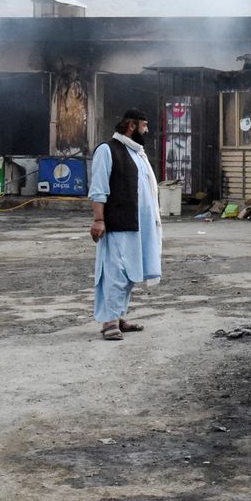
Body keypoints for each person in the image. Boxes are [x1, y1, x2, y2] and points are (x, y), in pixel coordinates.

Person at [88, 108, 162, 341]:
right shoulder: (107, 150)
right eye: (144, 125)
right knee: (114, 272)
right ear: (131, 125)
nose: (147, 130)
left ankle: (119, 316)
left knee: (131, 274)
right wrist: (99, 220)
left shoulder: (137, 153)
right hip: (117, 222)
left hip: (139, 224)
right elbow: (98, 189)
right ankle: (109, 322)